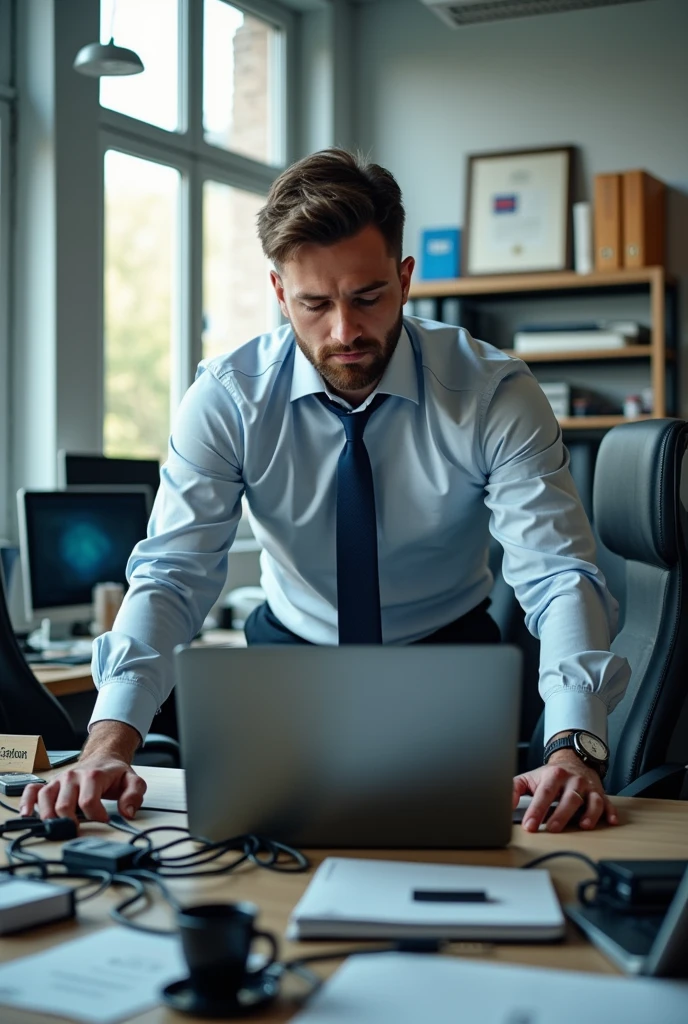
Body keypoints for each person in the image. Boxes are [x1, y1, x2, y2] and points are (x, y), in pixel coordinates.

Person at [21, 149, 630, 834]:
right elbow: (171, 575)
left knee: (460, 858)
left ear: (404, 280)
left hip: (447, 663)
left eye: (367, 297)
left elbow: (557, 576)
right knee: (262, 867)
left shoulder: (493, 393)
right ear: (280, 292)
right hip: (288, 664)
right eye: (314, 302)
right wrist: (108, 744)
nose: (344, 331)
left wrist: (574, 749)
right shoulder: (228, 398)